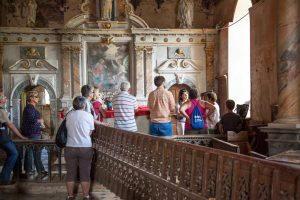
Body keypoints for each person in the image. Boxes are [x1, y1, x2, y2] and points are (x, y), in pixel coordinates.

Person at [65, 96, 95, 200]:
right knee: (85, 173)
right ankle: (86, 196)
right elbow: (90, 132)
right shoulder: (89, 116)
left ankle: (70, 196)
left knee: (70, 173)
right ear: (83, 105)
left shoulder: (68, 115)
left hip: (70, 147)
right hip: (85, 147)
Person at [0, 92, 27, 185]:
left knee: (16, 152)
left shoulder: (2, 110)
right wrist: (21, 136)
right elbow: (10, 125)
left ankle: (17, 175)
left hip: (4, 137)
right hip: (2, 138)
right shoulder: (1, 111)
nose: (6, 98)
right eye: (4, 97)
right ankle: (3, 178)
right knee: (14, 153)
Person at [21, 91, 47, 177]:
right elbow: (32, 121)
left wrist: (41, 124)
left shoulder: (31, 108)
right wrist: (40, 121)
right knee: (33, 152)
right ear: (31, 98)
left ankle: (36, 169)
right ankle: (33, 170)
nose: (38, 98)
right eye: (36, 97)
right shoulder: (29, 108)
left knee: (34, 152)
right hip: (32, 134)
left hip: (34, 132)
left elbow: (33, 121)